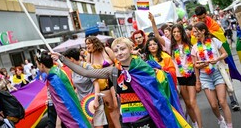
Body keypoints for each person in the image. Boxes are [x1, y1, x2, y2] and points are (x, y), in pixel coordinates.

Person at [52, 37, 189, 128]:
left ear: (130, 49)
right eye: (116, 50)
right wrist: (63, 60)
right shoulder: (113, 72)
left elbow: (158, 94)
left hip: (148, 117)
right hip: (127, 120)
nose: (119, 53)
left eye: (122, 49)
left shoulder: (144, 69)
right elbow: (86, 73)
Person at [195, 6, 241, 111]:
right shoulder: (196, 27)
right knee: (212, 81)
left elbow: (221, 37)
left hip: (219, 57)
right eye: (200, 18)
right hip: (206, 60)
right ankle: (219, 102)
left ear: (206, 14)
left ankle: (233, 100)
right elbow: (194, 42)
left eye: (203, 17)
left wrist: (209, 34)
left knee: (226, 76)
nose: (202, 20)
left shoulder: (213, 24)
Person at [35, 49, 91, 128]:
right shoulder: (57, 73)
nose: (37, 66)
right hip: (71, 114)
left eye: (37, 64)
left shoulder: (54, 79)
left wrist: (58, 123)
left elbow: (63, 103)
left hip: (72, 117)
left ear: (42, 65)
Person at [191, 22, 233, 128]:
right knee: (214, 105)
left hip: (217, 73)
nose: (194, 34)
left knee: (222, 101)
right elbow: (195, 65)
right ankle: (220, 119)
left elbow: (225, 53)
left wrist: (217, 59)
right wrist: (198, 79)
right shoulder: (195, 47)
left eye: (196, 31)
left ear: (203, 31)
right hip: (205, 77)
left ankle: (229, 125)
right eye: (193, 32)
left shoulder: (214, 41)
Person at [63, 48, 108, 128]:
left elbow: (96, 83)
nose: (66, 63)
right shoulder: (72, 70)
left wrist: (96, 99)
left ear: (71, 59)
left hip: (94, 102)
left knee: (98, 126)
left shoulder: (87, 67)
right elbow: (77, 88)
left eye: (66, 60)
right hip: (84, 104)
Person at [85, 36, 120, 128]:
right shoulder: (89, 55)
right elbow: (86, 71)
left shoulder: (107, 50)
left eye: (89, 43)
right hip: (99, 87)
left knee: (115, 106)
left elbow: (117, 62)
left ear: (95, 43)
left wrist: (110, 69)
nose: (87, 45)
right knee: (106, 110)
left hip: (112, 82)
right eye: (86, 44)